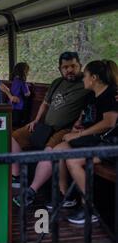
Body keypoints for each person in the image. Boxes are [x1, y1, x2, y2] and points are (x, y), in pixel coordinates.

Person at [11, 51, 91, 206]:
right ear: (60, 68)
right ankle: (17, 176)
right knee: (13, 137)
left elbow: (104, 91)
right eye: (65, 67)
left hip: (65, 129)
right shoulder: (57, 83)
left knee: (49, 152)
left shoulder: (87, 83)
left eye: (73, 66)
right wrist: (35, 120)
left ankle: (32, 191)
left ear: (80, 66)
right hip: (44, 126)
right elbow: (45, 103)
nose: (69, 70)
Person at [51, 60, 117, 225]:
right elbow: (88, 118)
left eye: (85, 76)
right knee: (58, 150)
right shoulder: (92, 96)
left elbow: (109, 123)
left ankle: (89, 208)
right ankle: (66, 195)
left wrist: (79, 134)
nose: (83, 79)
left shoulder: (111, 94)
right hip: (94, 141)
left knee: (73, 160)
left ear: (94, 78)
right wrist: (77, 128)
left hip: (110, 145)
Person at [10, 62, 31, 128]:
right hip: (19, 106)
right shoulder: (22, 82)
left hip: (12, 105)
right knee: (18, 124)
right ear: (24, 72)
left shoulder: (14, 80)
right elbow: (27, 94)